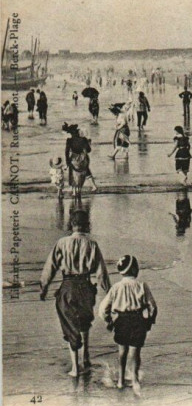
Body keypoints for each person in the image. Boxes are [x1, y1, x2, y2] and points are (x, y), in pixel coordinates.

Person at [39, 210, 111, 377]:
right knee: (85, 320)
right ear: (87, 224)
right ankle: (85, 357)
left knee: (70, 325)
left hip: (68, 286)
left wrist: (44, 288)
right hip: (86, 286)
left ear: (71, 224)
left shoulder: (61, 243)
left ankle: (75, 368)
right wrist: (109, 292)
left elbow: (50, 268)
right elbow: (101, 273)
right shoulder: (92, 244)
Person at [98, 255, 157, 392]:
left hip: (121, 320)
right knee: (135, 352)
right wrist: (149, 321)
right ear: (135, 269)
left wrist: (109, 321)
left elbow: (102, 309)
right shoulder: (141, 285)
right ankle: (135, 380)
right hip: (137, 320)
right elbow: (152, 306)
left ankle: (120, 381)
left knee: (122, 351)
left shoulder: (116, 287)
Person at [64, 124, 98, 196]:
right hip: (83, 159)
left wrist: (67, 162)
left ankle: (74, 191)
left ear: (70, 133)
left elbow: (66, 152)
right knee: (86, 169)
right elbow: (89, 150)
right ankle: (93, 185)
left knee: (72, 173)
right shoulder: (84, 139)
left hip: (74, 161)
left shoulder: (69, 140)